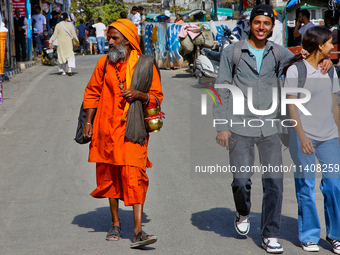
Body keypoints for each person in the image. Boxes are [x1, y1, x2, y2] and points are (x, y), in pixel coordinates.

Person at [213, 4, 332, 254]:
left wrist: (326, 63)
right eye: (257, 23)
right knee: (241, 181)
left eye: (266, 24)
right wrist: (222, 126)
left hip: (271, 128)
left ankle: (270, 234)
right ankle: (243, 212)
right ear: (250, 24)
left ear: (272, 27)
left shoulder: (279, 53)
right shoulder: (232, 52)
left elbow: (304, 64)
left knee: (274, 183)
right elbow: (222, 88)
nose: (261, 27)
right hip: (239, 126)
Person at [82, 18, 163, 248]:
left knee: (135, 175)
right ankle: (115, 222)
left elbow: (157, 96)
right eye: (109, 37)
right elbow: (92, 93)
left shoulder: (146, 65)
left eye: (114, 38)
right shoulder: (103, 64)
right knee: (111, 175)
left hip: (133, 130)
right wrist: (88, 122)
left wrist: (139, 94)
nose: (109, 41)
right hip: (106, 129)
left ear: (127, 41)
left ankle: (138, 231)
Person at [284, 26, 340, 254]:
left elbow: (334, 105)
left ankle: (335, 235)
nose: (332, 47)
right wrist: (301, 136)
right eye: (329, 43)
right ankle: (309, 235)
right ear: (319, 45)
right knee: (306, 186)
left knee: (335, 185)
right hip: (304, 136)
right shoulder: (296, 71)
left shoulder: (330, 70)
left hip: (329, 137)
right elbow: (291, 107)